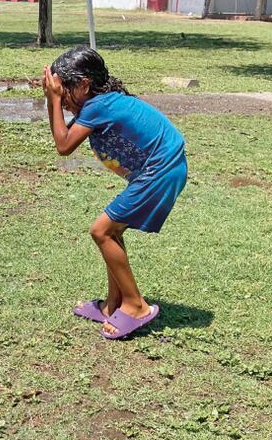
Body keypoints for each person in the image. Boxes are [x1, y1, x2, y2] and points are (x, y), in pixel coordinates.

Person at [41, 46, 187, 340]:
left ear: (83, 85)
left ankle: (136, 306)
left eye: (64, 89)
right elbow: (64, 137)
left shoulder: (98, 106)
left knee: (102, 231)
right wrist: (55, 99)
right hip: (161, 169)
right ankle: (112, 305)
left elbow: (63, 145)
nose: (63, 99)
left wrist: (52, 100)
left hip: (161, 170)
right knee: (112, 232)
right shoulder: (98, 105)